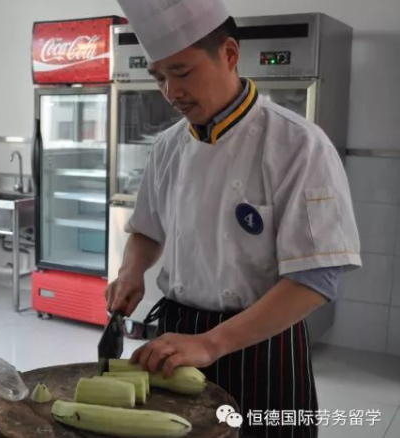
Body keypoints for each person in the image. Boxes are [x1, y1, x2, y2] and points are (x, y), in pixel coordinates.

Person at [107, 1, 361, 436]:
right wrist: (131, 271)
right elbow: (148, 229)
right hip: (177, 334)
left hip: (262, 343)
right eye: (160, 77)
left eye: (182, 72)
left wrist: (213, 343)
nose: (171, 92)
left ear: (228, 54)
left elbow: (316, 279)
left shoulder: (300, 145)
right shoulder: (167, 146)